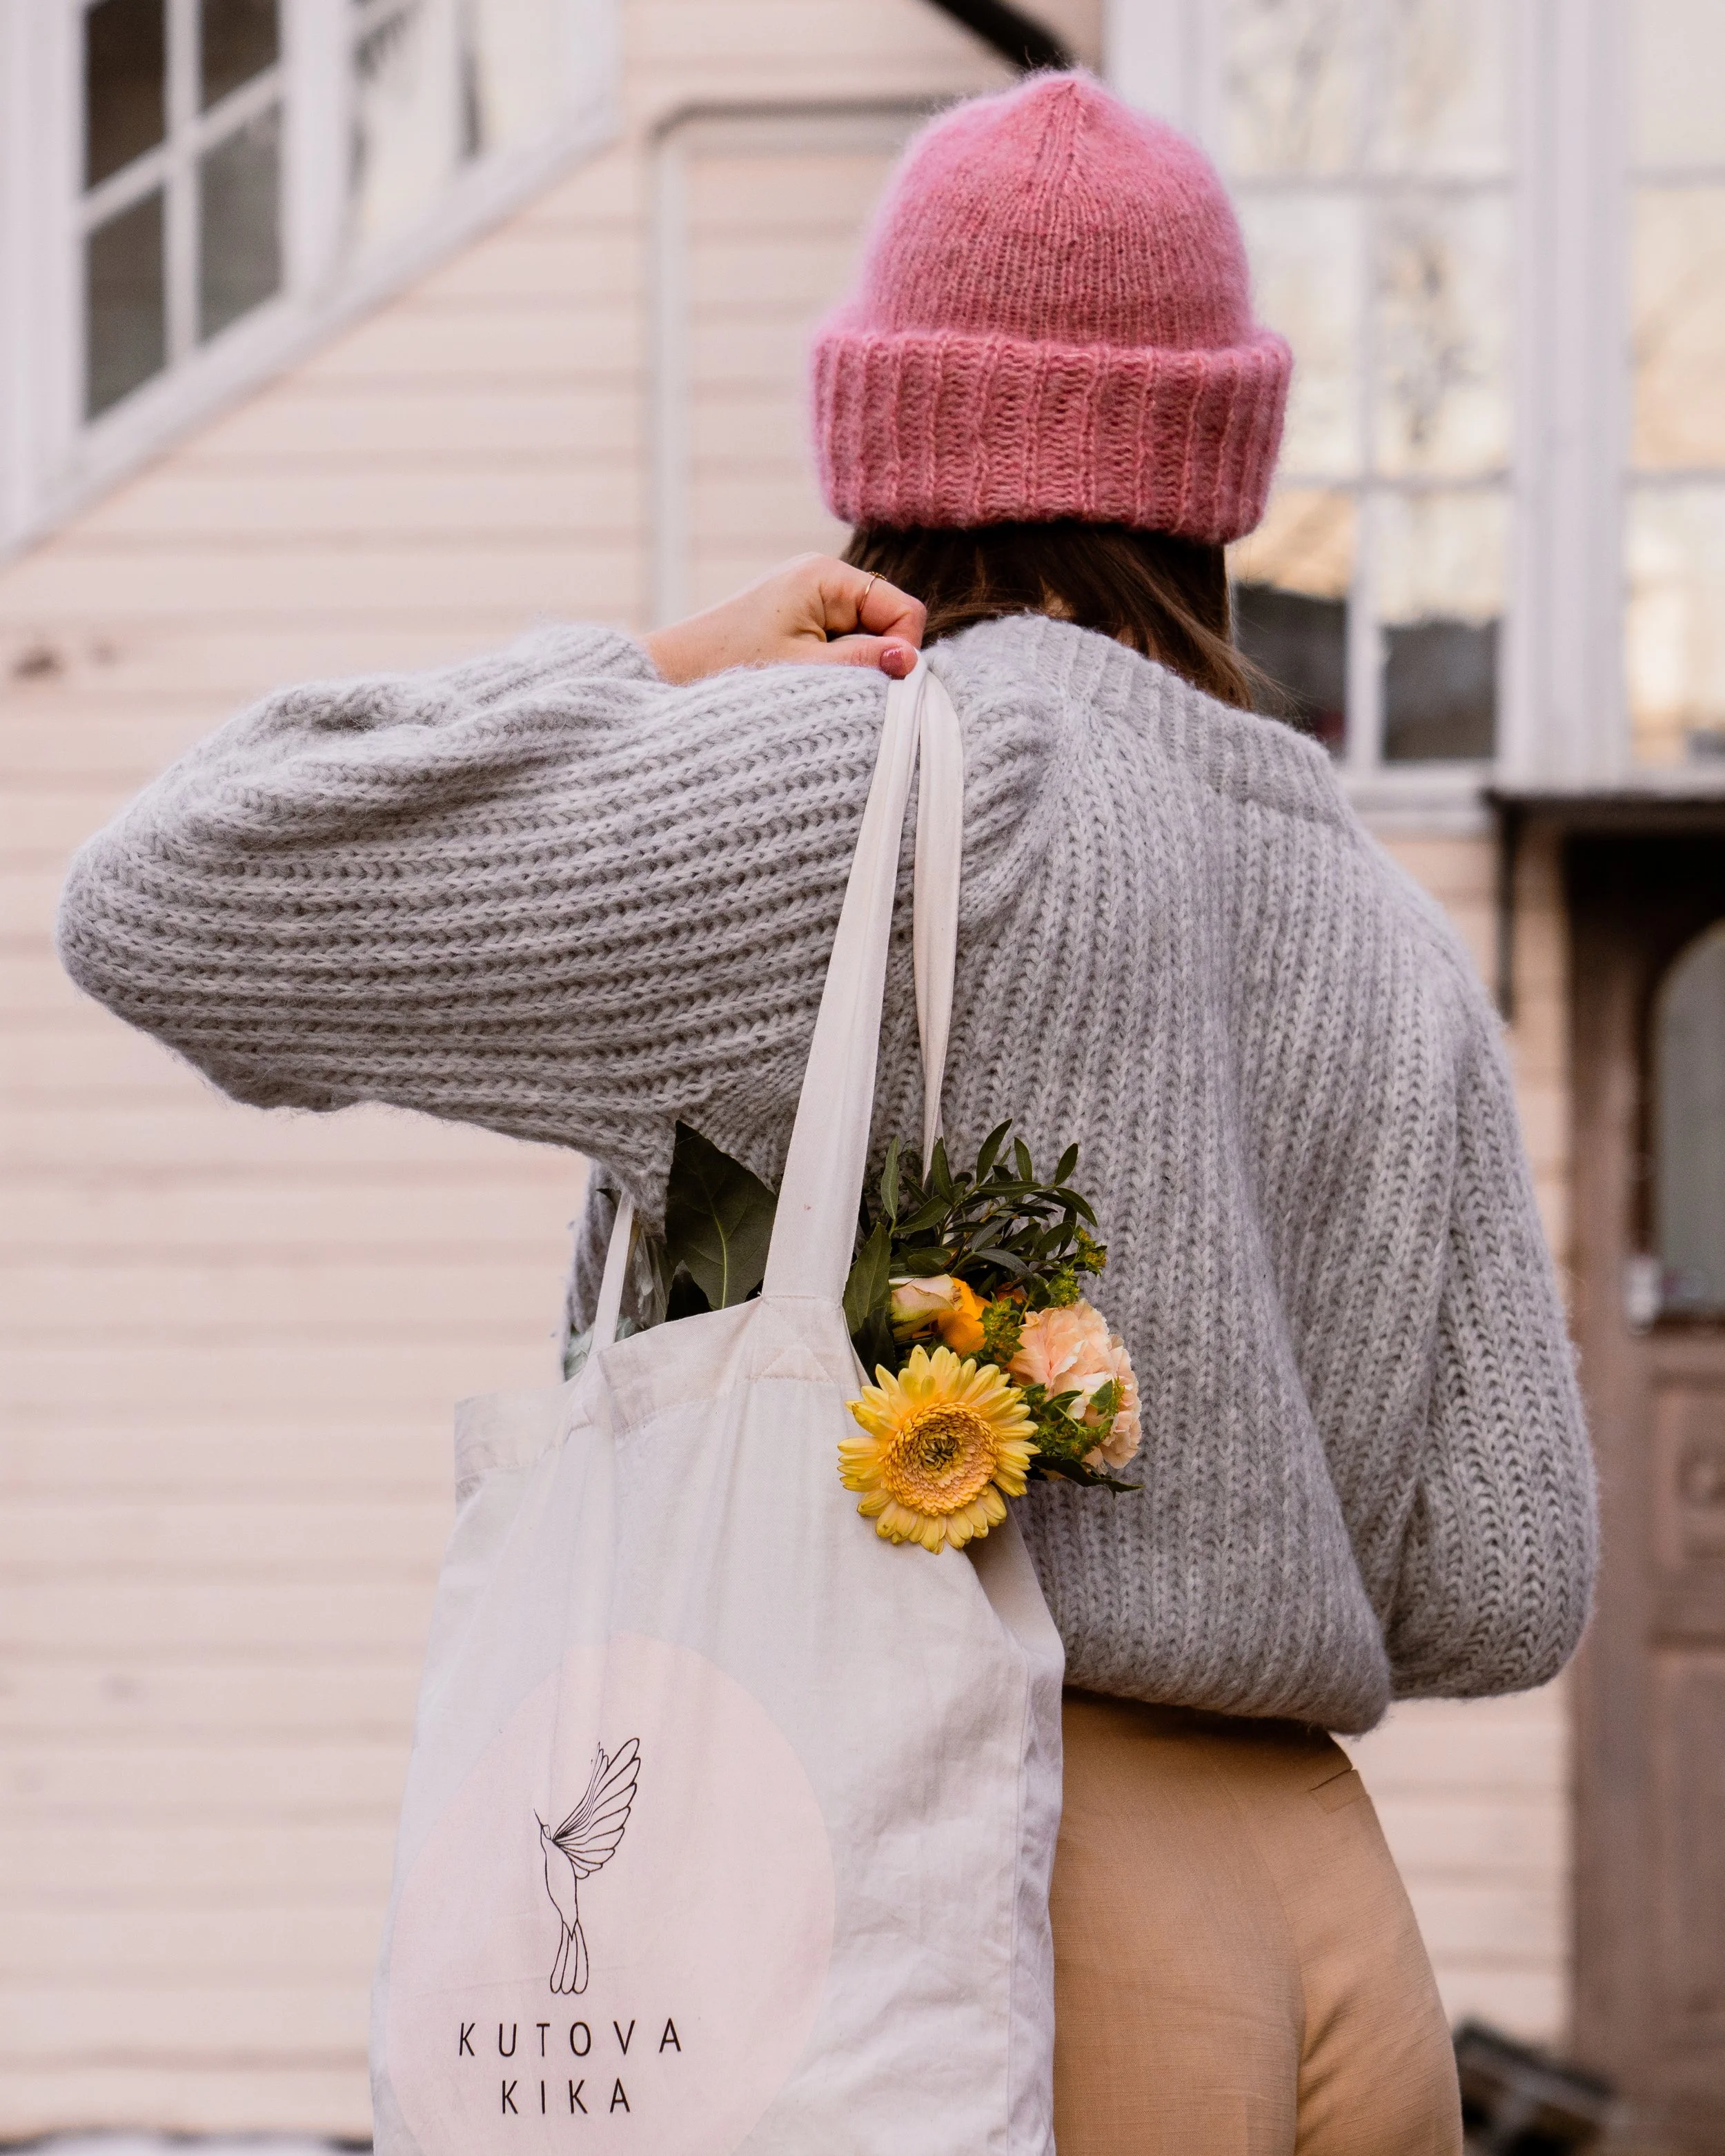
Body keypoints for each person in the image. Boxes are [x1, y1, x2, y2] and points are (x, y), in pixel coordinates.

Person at [57, 72, 1593, 2156]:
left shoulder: (877, 785)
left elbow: (174, 894)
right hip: (1330, 1931)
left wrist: (656, 665)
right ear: (1211, 469)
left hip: (983, 1905)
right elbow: (1504, 1577)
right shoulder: (1372, 907)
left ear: (889, 436)